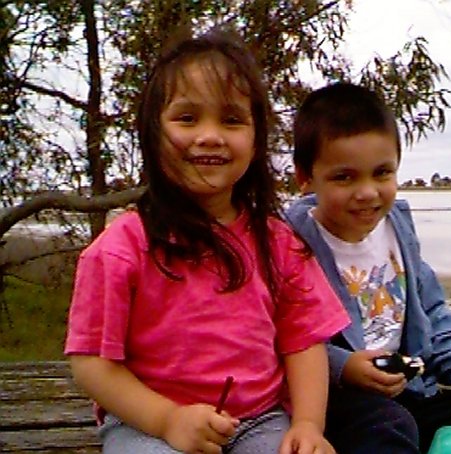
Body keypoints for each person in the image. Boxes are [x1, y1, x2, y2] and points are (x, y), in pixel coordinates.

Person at [64, 29, 350, 454]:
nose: (211, 135)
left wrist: (308, 424)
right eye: (187, 118)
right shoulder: (121, 245)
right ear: (152, 132)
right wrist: (168, 419)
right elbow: (90, 363)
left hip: (261, 419)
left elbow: (305, 342)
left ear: (255, 141)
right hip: (147, 424)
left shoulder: (279, 243)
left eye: (232, 120)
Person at [285, 82, 451, 454]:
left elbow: (433, 310)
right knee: (389, 428)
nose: (367, 192)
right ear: (305, 177)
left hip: (412, 387)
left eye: (382, 173)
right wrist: (343, 367)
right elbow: (283, 335)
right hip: (337, 400)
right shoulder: (291, 242)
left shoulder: (399, 229)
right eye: (344, 177)